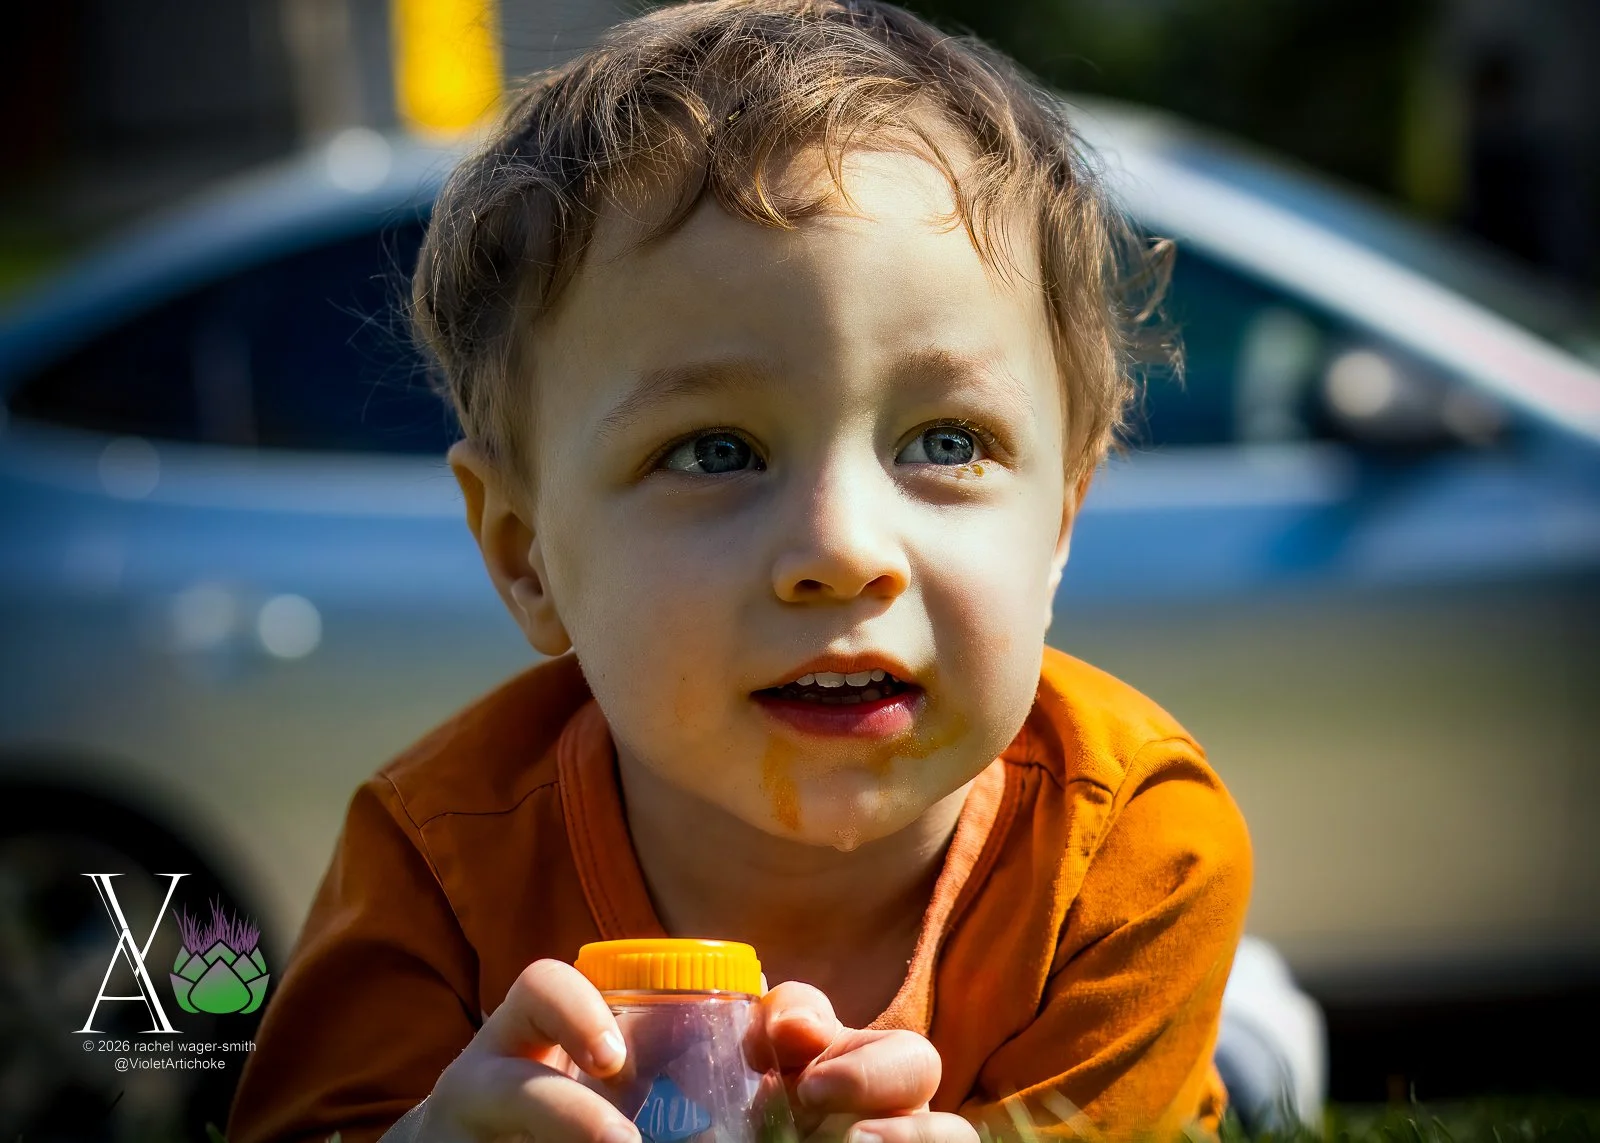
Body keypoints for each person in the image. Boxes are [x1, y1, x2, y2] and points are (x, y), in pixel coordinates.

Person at [225, 1, 1259, 1140]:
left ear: (1060, 521)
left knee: (1249, 1066)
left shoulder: (1132, 852)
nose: (840, 551)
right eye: (714, 451)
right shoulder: (436, 864)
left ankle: (1255, 1029)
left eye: (945, 443)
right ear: (525, 555)